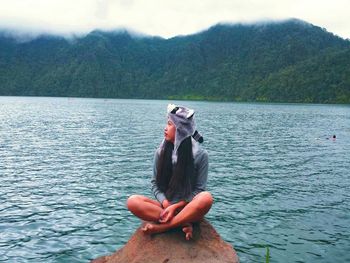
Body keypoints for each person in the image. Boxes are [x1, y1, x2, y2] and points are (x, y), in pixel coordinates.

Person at [126, 104, 213, 240]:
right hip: (164, 206)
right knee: (132, 201)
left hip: (188, 207)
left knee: (206, 198)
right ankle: (183, 222)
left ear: (181, 130)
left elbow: (199, 190)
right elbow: (154, 184)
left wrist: (177, 206)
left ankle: (164, 227)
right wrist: (167, 204)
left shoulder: (201, 155)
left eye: (170, 124)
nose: (165, 128)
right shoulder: (161, 152)